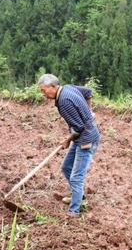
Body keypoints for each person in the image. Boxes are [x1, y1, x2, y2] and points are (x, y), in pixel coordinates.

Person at [38, 74, 99, 218]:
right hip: (81, 136)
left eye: (44, 90)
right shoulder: (68, 88)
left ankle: (74, 211)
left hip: (86, 140)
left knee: (76, 177)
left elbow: (79, 128)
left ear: (53, 87)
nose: (43, 94)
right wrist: (88, 113)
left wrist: (67, 140)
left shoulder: (64, 101)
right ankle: (80, 197)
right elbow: (88, 92)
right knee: (66, 168)